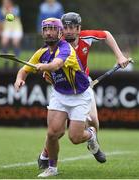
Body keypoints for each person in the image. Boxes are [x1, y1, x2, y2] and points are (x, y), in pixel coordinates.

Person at [37, 12, 131, 170]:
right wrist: (47, 75)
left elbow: (106, 35)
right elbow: (46, 64)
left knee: (94, 121)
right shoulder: (56, 44)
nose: (68, 31)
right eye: (65, 27)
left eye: (72, 27)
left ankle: (93, 143)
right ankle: (46, 152)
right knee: (57, 130)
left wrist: (120, 56)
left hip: (82, 86)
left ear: (79, 28)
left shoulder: (86, 37)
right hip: (62, 88)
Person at [1, 0, 23, 68]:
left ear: (10, 3)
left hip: (17, 28)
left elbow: (16, 15)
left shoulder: (16, 8)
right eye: (4, 3)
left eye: (6, 2)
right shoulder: (2, 9)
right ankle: (6, 61)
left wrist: (9, 10)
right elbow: (1, 20)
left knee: (15, 42)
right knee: (4, 42)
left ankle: (16, 60)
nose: (5, 4)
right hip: (7, 29)